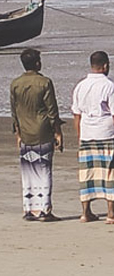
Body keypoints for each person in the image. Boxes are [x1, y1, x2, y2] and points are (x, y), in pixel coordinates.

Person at [71, 51, 114, 224]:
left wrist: (79, 136)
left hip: (87, 133)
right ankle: (111, 213)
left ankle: (86, 212)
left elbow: (76, 115)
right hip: (107, 133)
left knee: (87, 173)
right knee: (110, 172)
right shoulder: (108, 85)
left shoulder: (81, 86)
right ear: (105, 66)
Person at [10, 49, 63, 222]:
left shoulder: (15, 84)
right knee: (44, 170)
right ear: (37, 63)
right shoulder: (44, 82)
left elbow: (14, 111)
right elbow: (52, 110)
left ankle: (29, 209)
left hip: (25, 131)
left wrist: (18, 133)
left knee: (28, 172)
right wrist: (58, 132)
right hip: (42, 131)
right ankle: (44, 210)